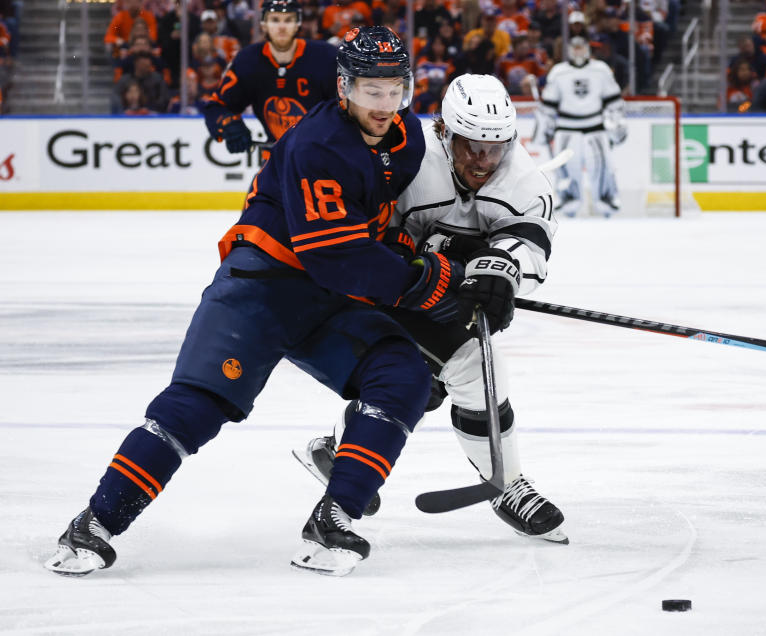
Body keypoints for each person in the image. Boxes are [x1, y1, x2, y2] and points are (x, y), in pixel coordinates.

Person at [44, 26, 462, 578]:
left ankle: (334, 518)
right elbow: (335, 253)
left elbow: (385, 221)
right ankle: (94, 525)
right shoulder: (319, 145)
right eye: (370, 91)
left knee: (403, 375)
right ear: (343, 88)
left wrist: (464, 264)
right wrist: (423, 282)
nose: (384, 105)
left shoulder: (406, 137)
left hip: (327, 298)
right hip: (259, 286)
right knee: (195, 408)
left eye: (395, 90)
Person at [297, 74, 567, 543]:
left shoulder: (523, 179)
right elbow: (360, 234)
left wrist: (500, 268)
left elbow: (530, 241)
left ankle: (505, 483)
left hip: (447, 295)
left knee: (477, 374)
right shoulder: (407, 157)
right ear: (444, 131)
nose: (483, 161)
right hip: (389, 287)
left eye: (495, 147)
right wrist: (411, 265)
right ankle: (345, 455)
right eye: (471, 146)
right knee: (414, 381)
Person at [202, 0, 338, 156]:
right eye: (275, 20)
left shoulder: (325, 57)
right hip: (276, 161)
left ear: (297, 23)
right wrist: (229, 125)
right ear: (263, 24)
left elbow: (349, 108)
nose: (281, 27)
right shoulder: (248, 60)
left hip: (323, 161)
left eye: (288, 20)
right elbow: (217, 105)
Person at [538, 36, 625, 218]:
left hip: (595, 127)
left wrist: (616, 121)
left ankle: (606, 202)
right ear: (569, 50)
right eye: (574, 47)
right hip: (566, 128)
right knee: (567, 169)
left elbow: (614, 101)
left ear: (587, 49)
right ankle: (568, 202)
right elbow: (548, 105)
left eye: (581, 47)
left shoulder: (601, 70)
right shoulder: (559, 72)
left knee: (602, 167)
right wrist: (545, 125)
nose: (578, 51)